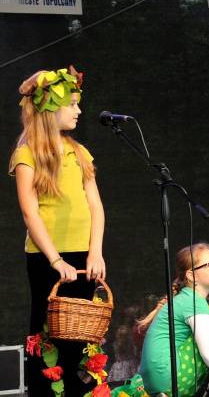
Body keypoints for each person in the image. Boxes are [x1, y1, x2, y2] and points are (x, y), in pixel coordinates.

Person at [9, 66, 105, 396]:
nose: (79, 111)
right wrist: (55, 260)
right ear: (51, 110)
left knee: (81, 331)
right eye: (72, 104)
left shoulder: (79, 153)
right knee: (49, 332)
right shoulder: (27, 154)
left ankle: (80, 391)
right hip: (47, 257)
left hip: (83, 255)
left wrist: (95, 252)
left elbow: (96, 206)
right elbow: (30, 211)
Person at [137, 243, 209, 397]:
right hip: (169, 378)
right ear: (191, 275)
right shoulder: (193, 301)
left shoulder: (185, 299)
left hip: (155, 382)